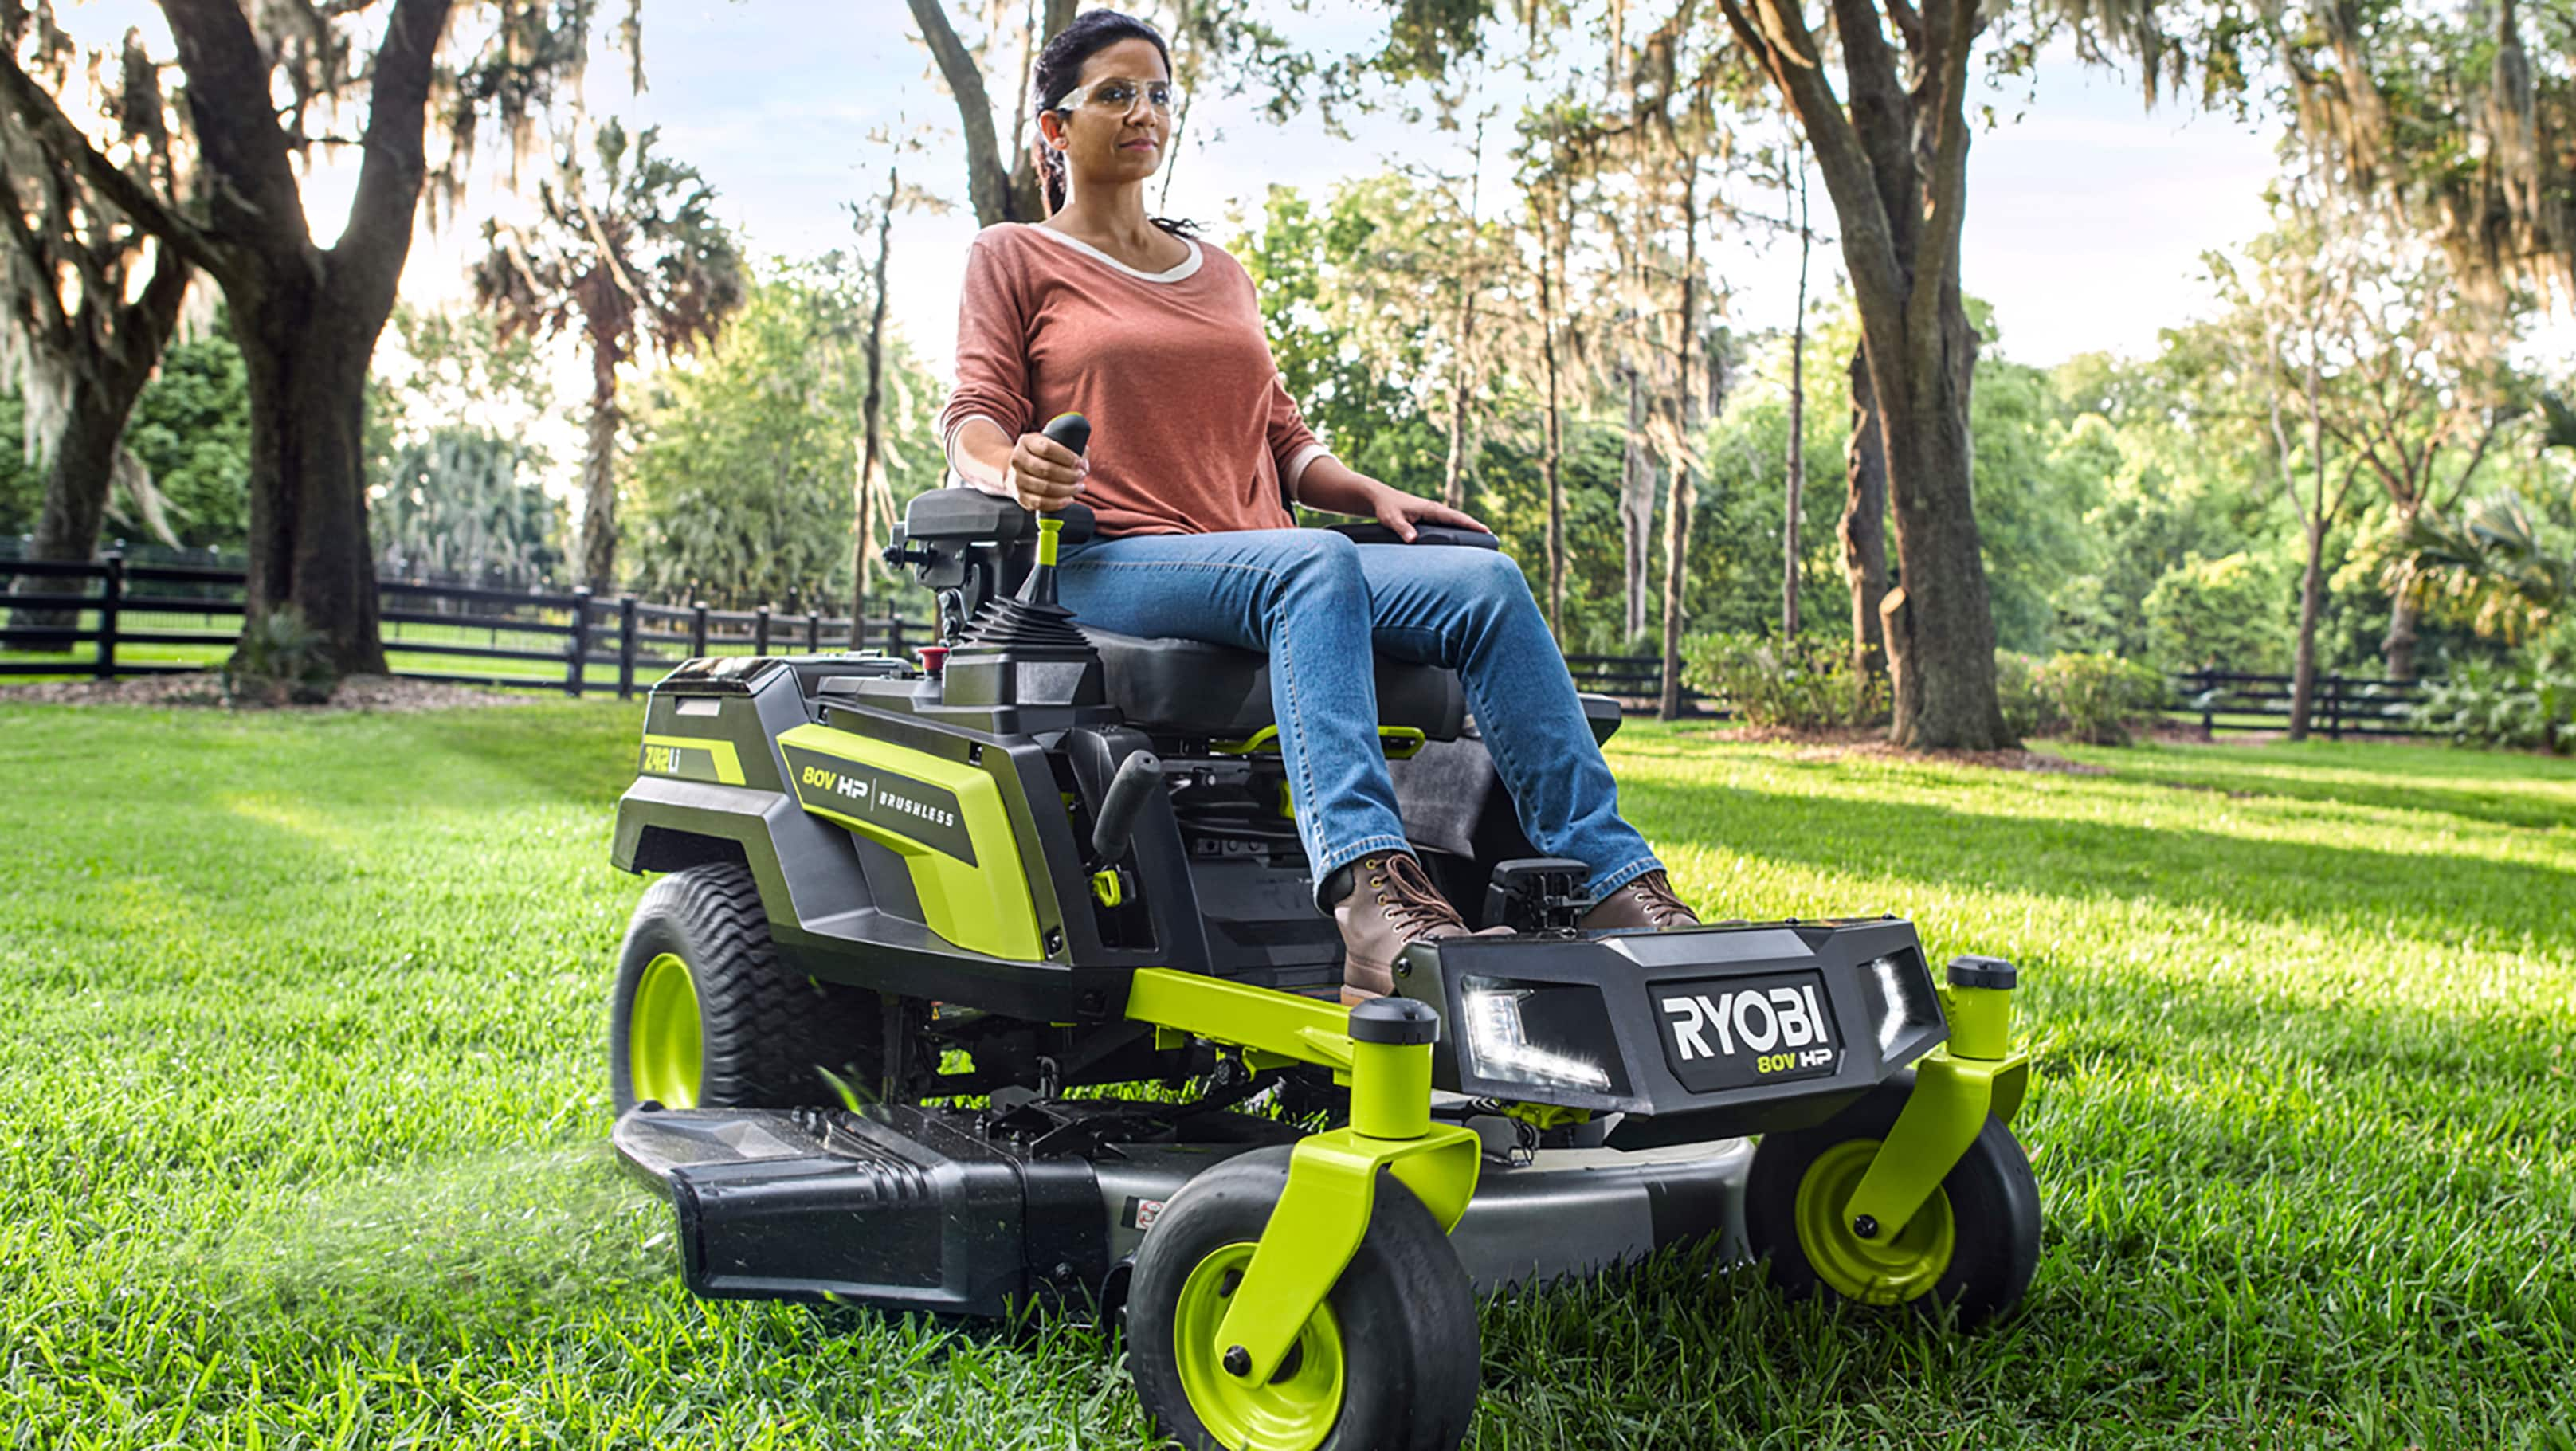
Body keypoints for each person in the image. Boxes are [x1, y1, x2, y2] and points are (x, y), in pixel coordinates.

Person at [938, 10, 1699, 1001]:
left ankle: (1610, 876)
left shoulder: (1218, 275)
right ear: (1055, 127)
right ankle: (1368, 893)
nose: (1143, 113)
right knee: (1313, 564)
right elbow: (970, 421)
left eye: (1158, 94)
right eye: (1115, 94)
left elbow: (1282, 437)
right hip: (1108, 565)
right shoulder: (1013, 256)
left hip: (1263, 562)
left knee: (1483, 583)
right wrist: (1014, 469)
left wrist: (1363, 490)